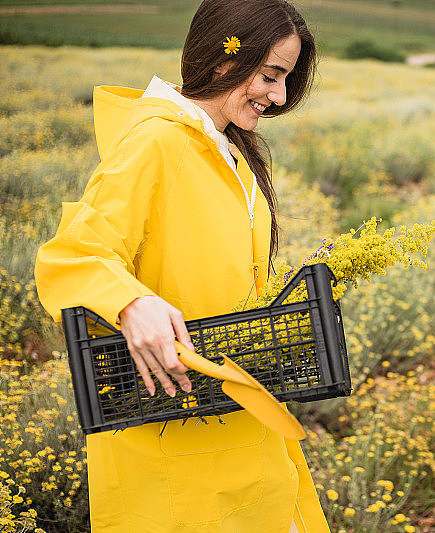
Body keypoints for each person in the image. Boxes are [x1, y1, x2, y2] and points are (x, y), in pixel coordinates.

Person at [34, 1, 329, 531]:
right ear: (223, 61)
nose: (279, 96)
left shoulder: (229, 150)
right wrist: (130, 303)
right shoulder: (157, 141)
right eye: (271, 75)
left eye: (285, 79)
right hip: (172, 428)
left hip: (234, 411)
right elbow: (75, 252)